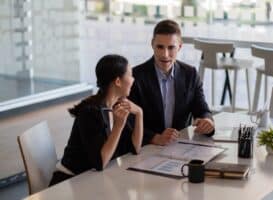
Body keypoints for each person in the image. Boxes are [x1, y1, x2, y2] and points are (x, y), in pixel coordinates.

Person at [49, 54, 143, 186]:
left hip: (94, 179)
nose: (133, 80)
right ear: (118, 81)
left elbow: (135, 148)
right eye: (130, 75)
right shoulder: (90, 112)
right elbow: (100, 162)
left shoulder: (117, 106)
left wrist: (139, 113)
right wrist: (118, 126)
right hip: (69, 182)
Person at [129, 19, 214, 146]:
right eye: (160, 47)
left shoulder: (190, 74)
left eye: (171, 47)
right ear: (152, 44)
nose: (165, 54)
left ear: (180, 46)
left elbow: (201, 109)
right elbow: (128, 122)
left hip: (179, 146)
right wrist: (155, 138)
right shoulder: (135, 76)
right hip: (146, 148)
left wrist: (208, 121)